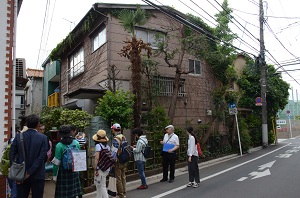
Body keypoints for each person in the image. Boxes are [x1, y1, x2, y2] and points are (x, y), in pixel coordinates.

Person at [9, 114, 48, 197]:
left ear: (26, 124)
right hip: (38, 174)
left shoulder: (19, 137)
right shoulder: (43, 138)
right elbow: (42, 157)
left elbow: (11, 154)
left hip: (21, 174)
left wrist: (15, 170)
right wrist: (30, 171)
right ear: (38, 124)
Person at [52, 125, 83, 198]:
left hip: (63, 173)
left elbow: (56, 162)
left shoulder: (59, 145)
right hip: (74, 171)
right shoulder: (76, 143)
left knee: (63, 195)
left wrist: (54, 175)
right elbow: (78, 159)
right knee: (73, 194)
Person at [92, 129, 111, 198]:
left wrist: (95, 169)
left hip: (100, 168)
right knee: (100, 186)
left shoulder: (98, 146)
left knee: (101, 186)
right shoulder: (107, 146)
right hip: (106, 168)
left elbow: (97, 158)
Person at [110, 123, 127, 198]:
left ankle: (121, 194)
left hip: (118, 160)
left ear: (114, 129)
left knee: (118, 178)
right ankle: (124, 191)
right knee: (123, 176)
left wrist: (112, 161)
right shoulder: (123, 137)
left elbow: (114, 152)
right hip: (124, 159)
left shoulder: (116, 139)